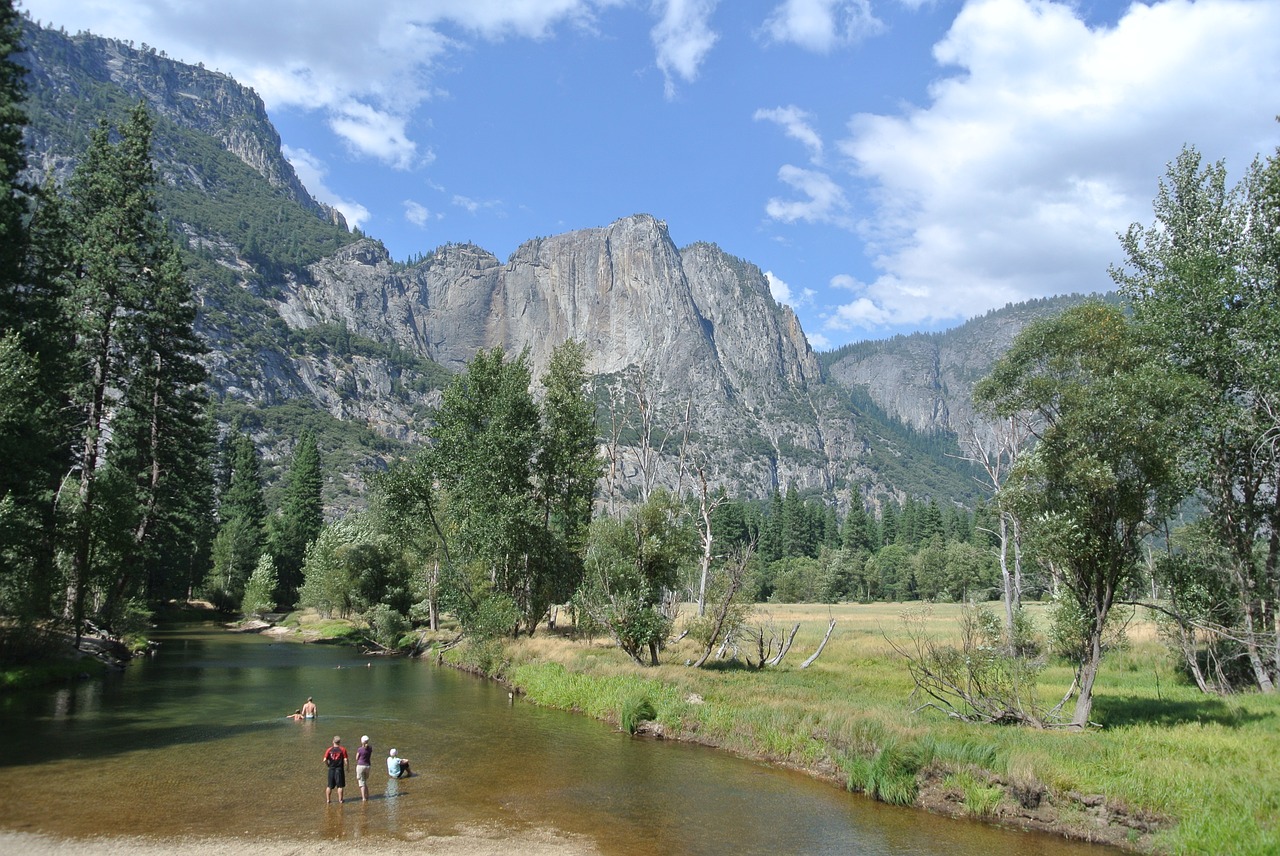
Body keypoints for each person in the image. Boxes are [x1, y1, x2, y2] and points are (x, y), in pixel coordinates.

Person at [323, 736, 348, 804]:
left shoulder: (329, 749)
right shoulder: (342, 749)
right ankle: (340, 800)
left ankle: (328, 800)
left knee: (329, 786)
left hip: (331, 769)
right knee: (340, 786)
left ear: (333, 741)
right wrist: (347, 767)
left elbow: (324, 759)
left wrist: (328, 765)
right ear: (339, 742)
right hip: (339, 769)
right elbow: (345, 760)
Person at [355, 735, 373, 801]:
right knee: (364, 781)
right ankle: (367, 795)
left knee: (361, 782)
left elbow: (356, 758)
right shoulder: (370, 748)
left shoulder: (360, 749)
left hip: (360, 766)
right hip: (368, 766)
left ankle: (363, 798)